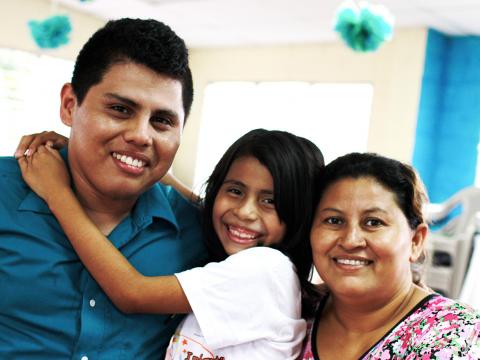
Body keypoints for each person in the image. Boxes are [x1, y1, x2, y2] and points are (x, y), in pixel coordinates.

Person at [18, 129, 325, 359]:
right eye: (234, 190)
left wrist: (57, 191)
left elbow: (131, 293)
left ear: (299, 213)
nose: (245, 211)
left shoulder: (264, 269)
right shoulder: (251, 269)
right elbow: (216, 215)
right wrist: (96, 155)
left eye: (270, 200)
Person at [0, 18, 208, 358]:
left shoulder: (198, 231)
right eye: (120, 109)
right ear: (70, 105)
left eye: (162, 121)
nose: (142, 135)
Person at [300, 153, 480, 359]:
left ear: (416, 241)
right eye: (333, 220)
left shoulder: (454, 334)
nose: (350, 240)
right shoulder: (292, 313)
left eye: (373, 222)